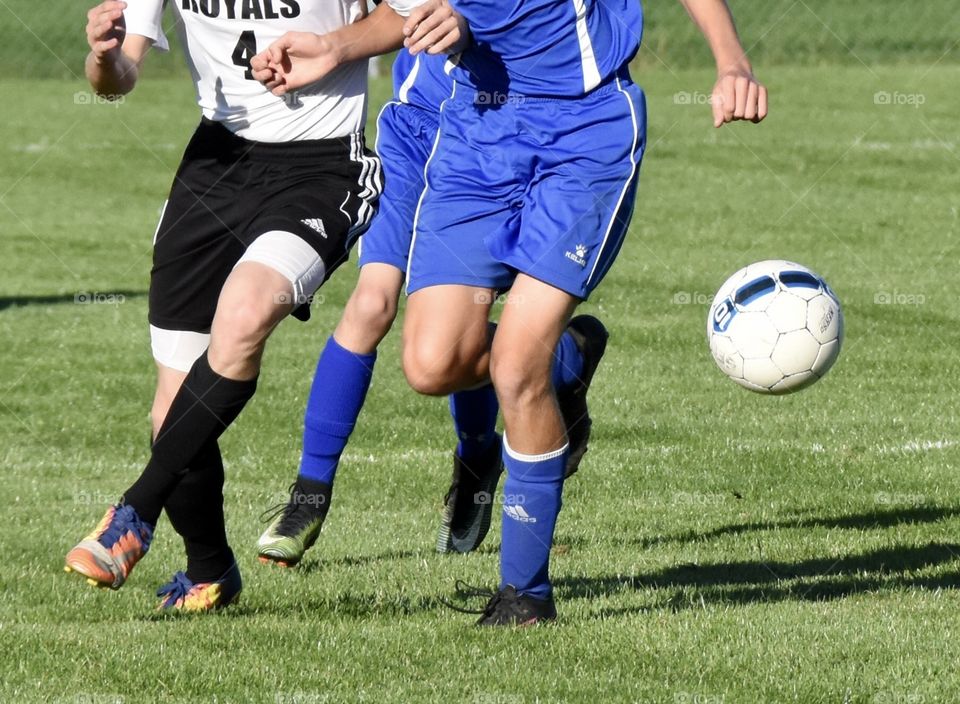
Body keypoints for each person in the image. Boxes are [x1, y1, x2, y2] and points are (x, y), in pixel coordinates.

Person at [396, 0, 768, 625]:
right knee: (433, 364)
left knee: (516, 366)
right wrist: (337, 48)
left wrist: (732, 62)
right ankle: (565, 357)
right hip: (475, 130)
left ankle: (525, 594)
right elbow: (402, 12)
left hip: (583, 131)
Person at [64, 0, 425, 611]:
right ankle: (210, 570)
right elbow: (118, 79)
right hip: (215, 167)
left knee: (245, 314)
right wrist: (102, 57)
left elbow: (411, 12)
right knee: (172, 413)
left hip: (324, 165)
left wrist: (336, 47)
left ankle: (133, 512)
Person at [249, 3, 603, 565]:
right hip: (417, 132)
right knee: (371, 304)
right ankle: (309, 495)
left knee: (460, 319)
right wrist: (327, 48)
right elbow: (395, 14)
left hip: (499, 130)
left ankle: (478, 455)